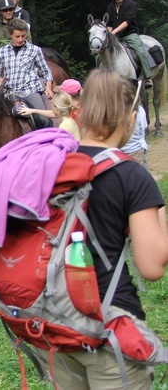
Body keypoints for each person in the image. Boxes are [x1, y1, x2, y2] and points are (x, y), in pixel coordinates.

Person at [32, 69, 168, 388]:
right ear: (129, 117)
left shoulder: (54, 164)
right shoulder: (131, 176)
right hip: (108, 326)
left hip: (55, 324)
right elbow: (152, 266)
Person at [0, 18, 53, 129]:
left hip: (30, 90)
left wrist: (48, 87)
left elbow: (46, 71)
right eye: (17, 36)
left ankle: (49, 140)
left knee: (43, 119)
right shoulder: (2, 52)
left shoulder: (35, 50)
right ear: (10, 35)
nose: (20, 39)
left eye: (23, 36)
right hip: (9, 92)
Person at [107, 0, 152, 88]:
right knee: (100, 52)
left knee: (141, 52)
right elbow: (109, 23)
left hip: (129, 34)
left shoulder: (130, 4)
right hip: (115, 36)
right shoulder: (110, 6)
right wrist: (109, 34)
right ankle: (100, 76)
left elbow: (127, 22)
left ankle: (148, 77)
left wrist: (113, 32)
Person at [123, 102, 149, 170]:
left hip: (130, 151)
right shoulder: (140, 109)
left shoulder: (119, 110)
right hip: (139, 148)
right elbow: (145, 127)